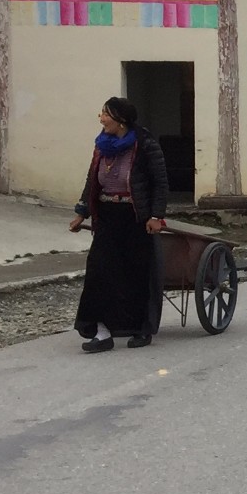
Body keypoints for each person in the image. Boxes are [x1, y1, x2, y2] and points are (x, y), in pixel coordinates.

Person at [68, 96, 168, 352]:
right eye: (101, 113)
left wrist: (156, 217)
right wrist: (82, 212)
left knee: (136, 273)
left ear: (121, 120)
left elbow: (160, 183)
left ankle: (141, 329)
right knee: (98, 272)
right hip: (107, 216)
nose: (101, 118)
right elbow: (93, 180)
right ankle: (101, 332)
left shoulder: (145, 144)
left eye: (106, 114)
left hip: (136, 218)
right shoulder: (102, 145)